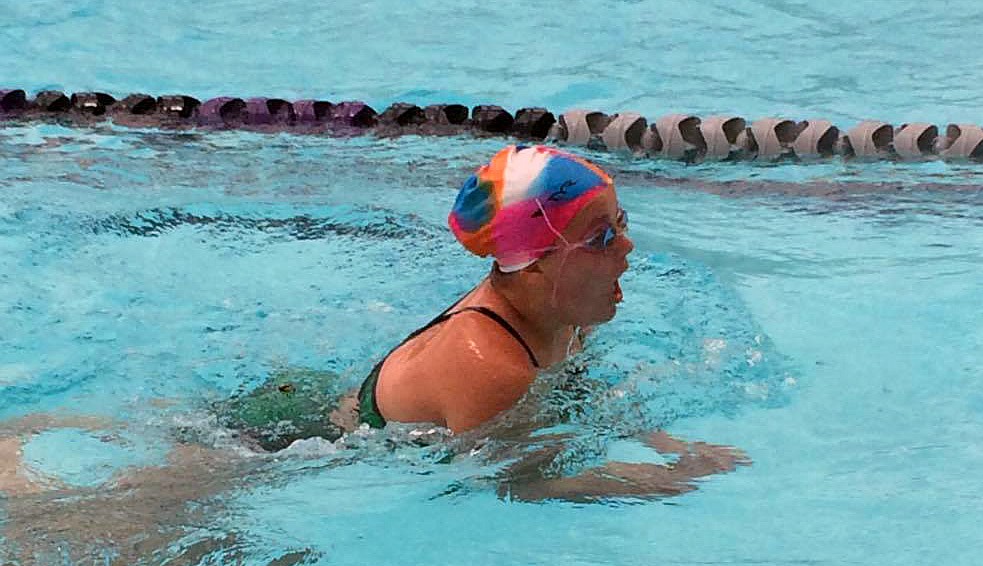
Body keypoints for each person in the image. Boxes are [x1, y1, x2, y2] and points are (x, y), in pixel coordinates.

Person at [1, 145, 747, 511]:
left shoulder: (564, 317)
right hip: (281, 448)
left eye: (621, 225)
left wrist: (668, 443)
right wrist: (663, 483)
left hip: (314, 402)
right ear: (532, 262)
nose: (629, 251)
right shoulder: (492, 366)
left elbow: (588, 398)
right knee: (114, 502)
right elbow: (521, 486)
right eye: (600, 239)